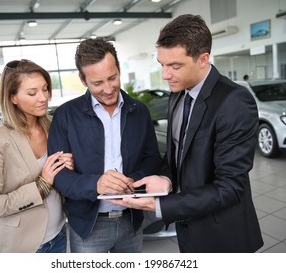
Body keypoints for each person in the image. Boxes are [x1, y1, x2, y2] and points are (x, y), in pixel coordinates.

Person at [110, 14, 264, 253]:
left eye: (175, 66)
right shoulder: (177, 94)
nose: (165, 75)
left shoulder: (234, 101)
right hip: (189, 231)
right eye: (162, 64)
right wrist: (166, 179)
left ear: (203, 59)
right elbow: (178, 155)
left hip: (224, 235)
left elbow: (230, 188)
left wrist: (160, 206)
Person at [47, 38, 161, 253]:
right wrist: (96, 184)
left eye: (112, 77)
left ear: (118, 69)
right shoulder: (65, 116)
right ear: (83, 80)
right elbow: (59, 177)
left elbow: (153, 159)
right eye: (98, 83)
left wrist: (133, 181)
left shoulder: (139, 111)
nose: (108, 89)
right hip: (89, 227)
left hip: (131, 220)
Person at [0, 59, 74, 253]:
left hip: (60, 234)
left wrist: (71, 166)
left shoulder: (54, 126)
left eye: (45, 89)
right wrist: (41, 186)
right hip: (24, 246)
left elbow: (65, 180)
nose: (43, 97)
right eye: (32, 93)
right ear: (13, 97)